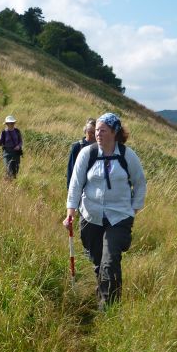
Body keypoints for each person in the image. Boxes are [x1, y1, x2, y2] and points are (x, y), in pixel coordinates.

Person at [64, 112, 146, 310]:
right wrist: (71, 211)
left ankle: (108, 309)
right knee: (99, 262)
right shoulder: (87, 154)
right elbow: (75, 184)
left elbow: (140, 183)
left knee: (110, 261)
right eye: (97, 130)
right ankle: (104, 293)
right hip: (91, 215)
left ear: (114, 132)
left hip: (119, 217)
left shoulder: (127, 156)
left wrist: (133, 209)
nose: (98, 134)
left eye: (103, 130)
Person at [66, 118, 96, 188]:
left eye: (94, 133)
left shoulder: (101, 147)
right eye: (90, 132)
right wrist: (70, 187)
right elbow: (71, 169)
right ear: (85, 131)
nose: (92, 135)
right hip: (80, 186)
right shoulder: (77, 146)